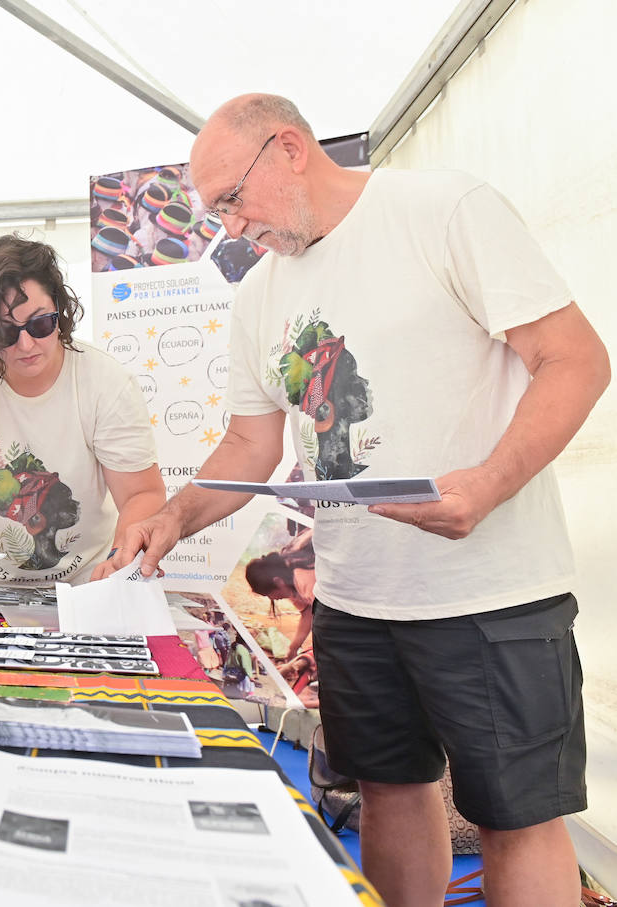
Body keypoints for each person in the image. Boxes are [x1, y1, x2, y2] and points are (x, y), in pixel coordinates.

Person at [103, 93, 610, 906]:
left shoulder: (444, 209)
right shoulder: (258, 294)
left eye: (232, 199)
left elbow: (576, 359)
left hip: (492, 590)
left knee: (517, 817)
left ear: (290, 148)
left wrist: (486, 484)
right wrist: (172, 515)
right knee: (388, 790)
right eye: (213, 213)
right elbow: (249, 445)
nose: (230, 226)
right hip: (355, 598)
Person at [0, 235, 165, 586]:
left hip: (86, 585)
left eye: (40, 324)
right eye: (4, 333)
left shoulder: (105, 382)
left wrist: (122, 554)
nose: (26, 345)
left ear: (61, 310)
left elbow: (141, 493)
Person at [242, 526, 316, 661]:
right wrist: (293, 649)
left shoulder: (305, 579)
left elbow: (328, 617)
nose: (273, 599)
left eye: (268, 595)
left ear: (278, 582)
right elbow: (307, 613)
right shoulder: (285, 573)